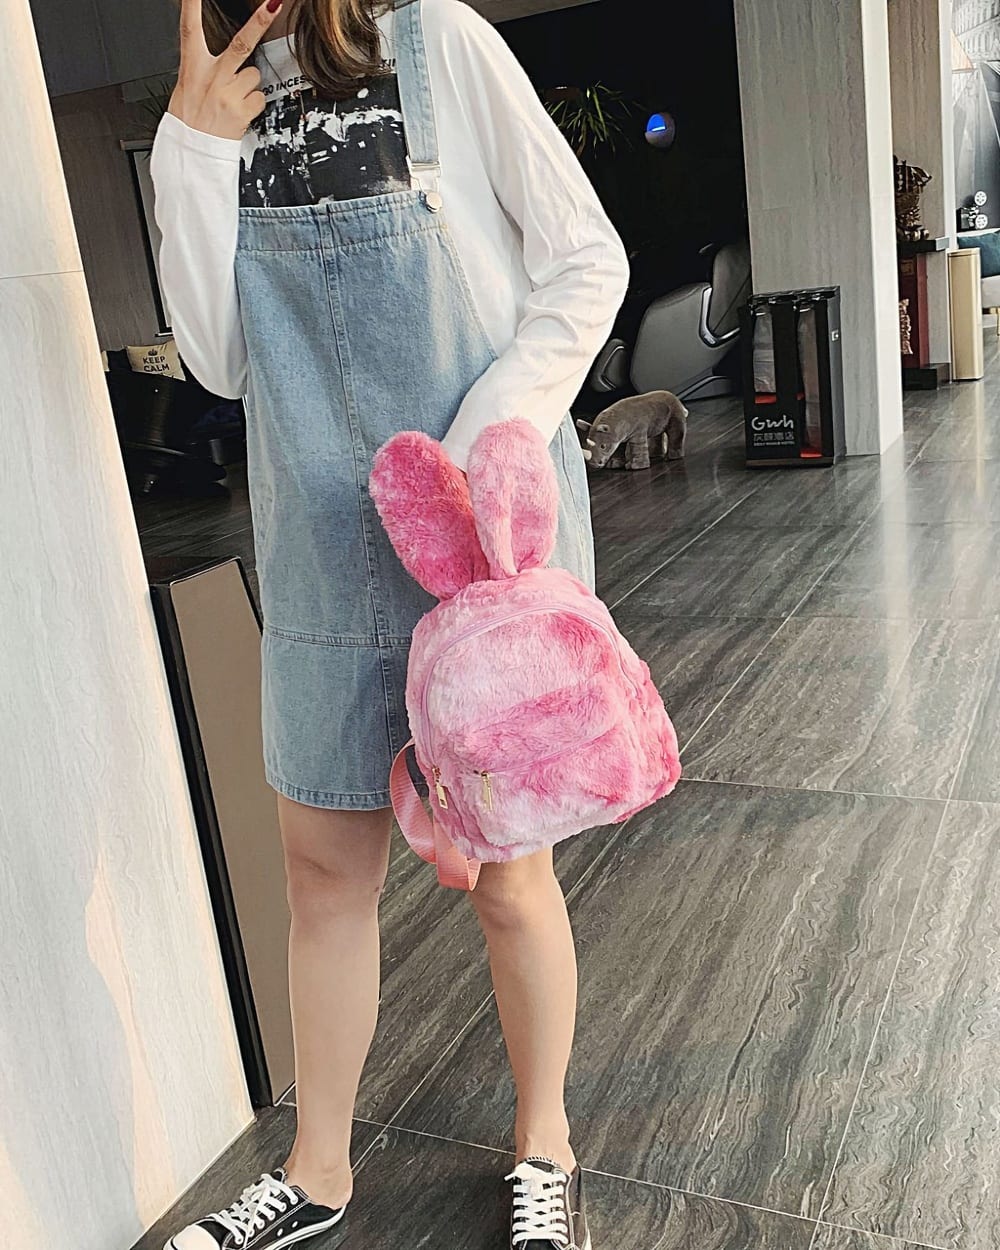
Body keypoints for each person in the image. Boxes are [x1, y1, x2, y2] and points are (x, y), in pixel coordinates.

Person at [150, 0, 629, 1245]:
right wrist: (190, 148)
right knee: (321, 874)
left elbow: (587, 260)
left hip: (472, 542)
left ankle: (544, 1142)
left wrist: (475, 445)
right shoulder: (222, 102)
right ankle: (316, 1171)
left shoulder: (437, 44)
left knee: (507, 876)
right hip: (320, 545)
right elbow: (218, 361)